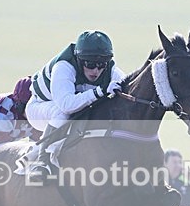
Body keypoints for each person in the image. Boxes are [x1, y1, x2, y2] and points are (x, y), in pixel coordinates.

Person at [23, 30, 125, 179]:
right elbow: (66, 105)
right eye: (90, 64)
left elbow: (127, 85)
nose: (96, 70)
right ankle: (41, 161)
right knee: (62, 113)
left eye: (101, 64)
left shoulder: (112, 70)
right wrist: (100, 91)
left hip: (71, 109)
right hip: (40, 107)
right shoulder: (64, 67)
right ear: (79, 59)